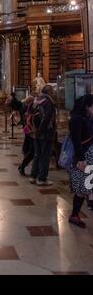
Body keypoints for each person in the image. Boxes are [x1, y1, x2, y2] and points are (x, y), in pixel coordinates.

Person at [68, 94, 93, 228]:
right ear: (87, 106)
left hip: (89, 156)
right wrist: (80, 159)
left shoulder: (86, 117)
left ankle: (75, 214)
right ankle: (74, 215)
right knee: (83, 188)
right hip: (84, 158)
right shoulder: (76, 119)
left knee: (87, 187)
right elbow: (76, 140)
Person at [30, 85, 56, 186]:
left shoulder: (36, 100)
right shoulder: (48, 102)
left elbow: (30, 112)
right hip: (45, 133)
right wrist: (42, 131)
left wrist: (37, 132)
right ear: (49, 92)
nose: (53, 93)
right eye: (52, 91)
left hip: (35, 132)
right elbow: (46, 118)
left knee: (37, 154)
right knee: (45, 156)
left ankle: (33, 176)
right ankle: (41, 178)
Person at [18, 95, 36, 176]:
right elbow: (29, 120)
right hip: (31, 132)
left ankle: (23, 166)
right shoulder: (31, 107)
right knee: (32, 151)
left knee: (31, 150)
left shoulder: (27, 107)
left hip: (28, 132)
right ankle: (22, 166)